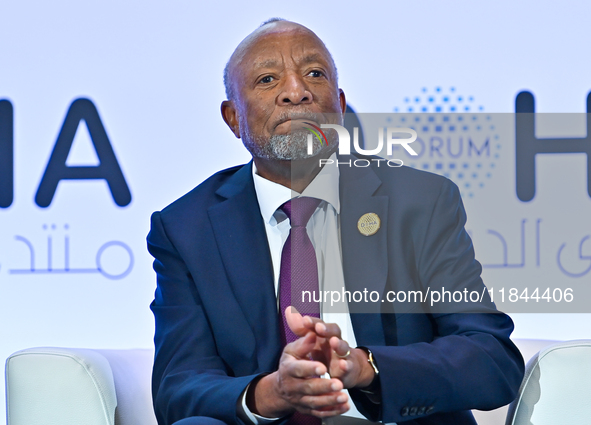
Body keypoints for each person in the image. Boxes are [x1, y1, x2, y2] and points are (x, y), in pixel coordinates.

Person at [147, 18, 524, 425]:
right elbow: (178, 385)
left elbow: (491, 357)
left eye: (314, 74)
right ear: (233, 118)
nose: (296, 92)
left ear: (340, 106)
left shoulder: (419, 202)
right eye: (268, 80)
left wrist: (366, 368)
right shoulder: (186, 228)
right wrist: (270, 392)